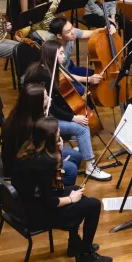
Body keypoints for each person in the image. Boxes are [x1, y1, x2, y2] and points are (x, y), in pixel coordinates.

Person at [10, 117, 112, 262]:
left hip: (23, 206)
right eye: (58, 134)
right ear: (51, 140)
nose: (61, 137)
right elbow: (50, 201)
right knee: (94, 205)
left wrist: (58, 159)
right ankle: (85, 254)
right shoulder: (46, 162)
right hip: (36, 216)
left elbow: (50, 185)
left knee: (77, 190)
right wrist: (71, 199)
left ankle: (75, 245)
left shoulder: (27, 149)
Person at [24, 40, 106, 183]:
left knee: (80, 122)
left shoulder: (46, 69)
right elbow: (53, 108)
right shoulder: (45, 76)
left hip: (43, 116)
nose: (64, 56)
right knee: (82, 127)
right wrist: (73, 118)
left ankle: (78, 151)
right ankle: (90, 167)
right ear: (51, 55)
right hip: (39, 122)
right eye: (61, 53)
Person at [1, 82, 83, 187]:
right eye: (45, 98)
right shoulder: (28, 126)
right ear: (35, 104)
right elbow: (31, 154)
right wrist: (56, 157)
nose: (50, 99)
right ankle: (56, 191)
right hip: (23, 166)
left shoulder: (24, 114)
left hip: (33, 156)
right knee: (71, 169)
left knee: (76, 156)